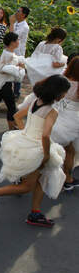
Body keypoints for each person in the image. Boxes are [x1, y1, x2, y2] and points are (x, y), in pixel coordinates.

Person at [0, 75, 70, 227]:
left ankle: (35, 212)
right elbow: (46, 135)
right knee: (28, 186)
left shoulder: (35, 101)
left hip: (27, 142)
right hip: (38, 148)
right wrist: (47, 154)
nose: (65, 95)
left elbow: (16, 116)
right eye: (65, 92)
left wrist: (25, 133)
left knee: (43, 177)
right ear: (58, 92)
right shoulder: (51, 111)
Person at [51, 56, 79, 191]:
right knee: (70, 150)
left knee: (49, 146)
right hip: (72, 120)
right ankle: (67, 179)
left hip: (55, 115)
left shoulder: (62, 80)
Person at [9, 6, 30, 98]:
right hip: (12, 50)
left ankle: (16, 92)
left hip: (19, 52)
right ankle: (9, 91)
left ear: (23, 15)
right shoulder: (17, 23)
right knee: (10, 70)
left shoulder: (25, 27)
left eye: (18, 11)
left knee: (18, 72)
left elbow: (12, 37)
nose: (16, 12)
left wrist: (11, 23)